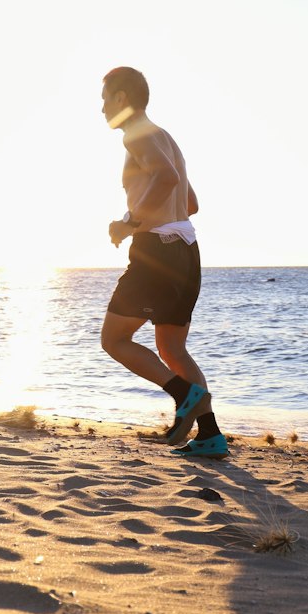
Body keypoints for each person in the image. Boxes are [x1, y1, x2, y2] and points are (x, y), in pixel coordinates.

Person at [100, 66, 228, 458]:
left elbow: (168, 178)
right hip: (186, 250)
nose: (102, 108)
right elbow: (190, 204)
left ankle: (182, 394)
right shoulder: (166, 136)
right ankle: (209, 435)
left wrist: (129, 222)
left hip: (156, 249)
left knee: (114, 339)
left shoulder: (136, 133)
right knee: (173, 349)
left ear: (122, 98)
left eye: (105, 98)